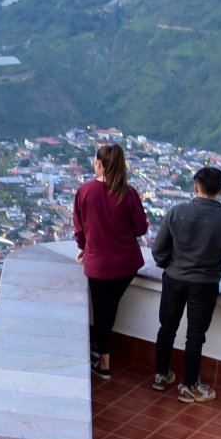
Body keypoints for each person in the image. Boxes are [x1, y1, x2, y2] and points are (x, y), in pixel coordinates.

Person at [151, 165, 221, 402]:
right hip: (205, 283)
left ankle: (160, 374)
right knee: (195, 335)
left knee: (167, 327)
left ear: (195, 186)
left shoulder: (177, 212)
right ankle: (190, 385)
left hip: (175, 277)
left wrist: (169, 265)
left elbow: (159, 248)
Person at [74, 143, 148, 380]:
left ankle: (104, 363)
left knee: (102, 312)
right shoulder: (129, 193)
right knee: (110, 308)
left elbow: (79, 228)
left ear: (99, 164)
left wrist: (84, 247)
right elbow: (140, 228)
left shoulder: (85, 192)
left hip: (99, 265)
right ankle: (101, 348)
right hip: (126, 264)